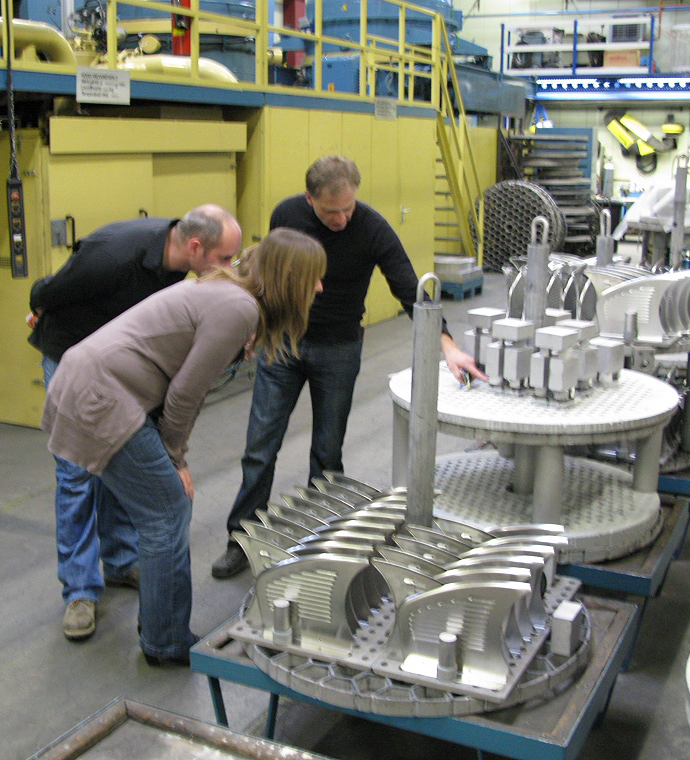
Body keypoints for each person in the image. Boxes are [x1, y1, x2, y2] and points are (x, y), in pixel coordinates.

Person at [40, 228, 327, 665]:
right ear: (290, 279)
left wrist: (172, 455)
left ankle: (157, 622)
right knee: (166, 510)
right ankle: (165, 641)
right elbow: (185, 393)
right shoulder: (238, 308)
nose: (319, 288)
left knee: (163, 506)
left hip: (100, 388)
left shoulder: (229, 294)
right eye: (313, 278)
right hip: (101, 396)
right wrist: (176, 458)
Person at [211, 156, 486, 579]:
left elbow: (408, 285)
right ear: (309, 199)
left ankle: (324, 542)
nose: (340, 219)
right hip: (283, 344)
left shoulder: (372, 228)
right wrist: (255, 327)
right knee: (259, 449)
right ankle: (242, 538)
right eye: (330, 211)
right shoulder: (287, 215)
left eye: (347, 208)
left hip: (338, 349)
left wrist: (445, 344)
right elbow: (269, 275)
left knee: (327, 453)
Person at [29, 205, 242, 641]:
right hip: (75, 361)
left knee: (119, 471)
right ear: (196, 247)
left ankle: (122, 560)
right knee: (78, 475)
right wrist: (39, 310)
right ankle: (79, 589)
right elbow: (47, 291)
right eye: (224, 259)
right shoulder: (114, 255)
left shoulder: (181, 271)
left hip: (124, 376)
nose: (230, 269)